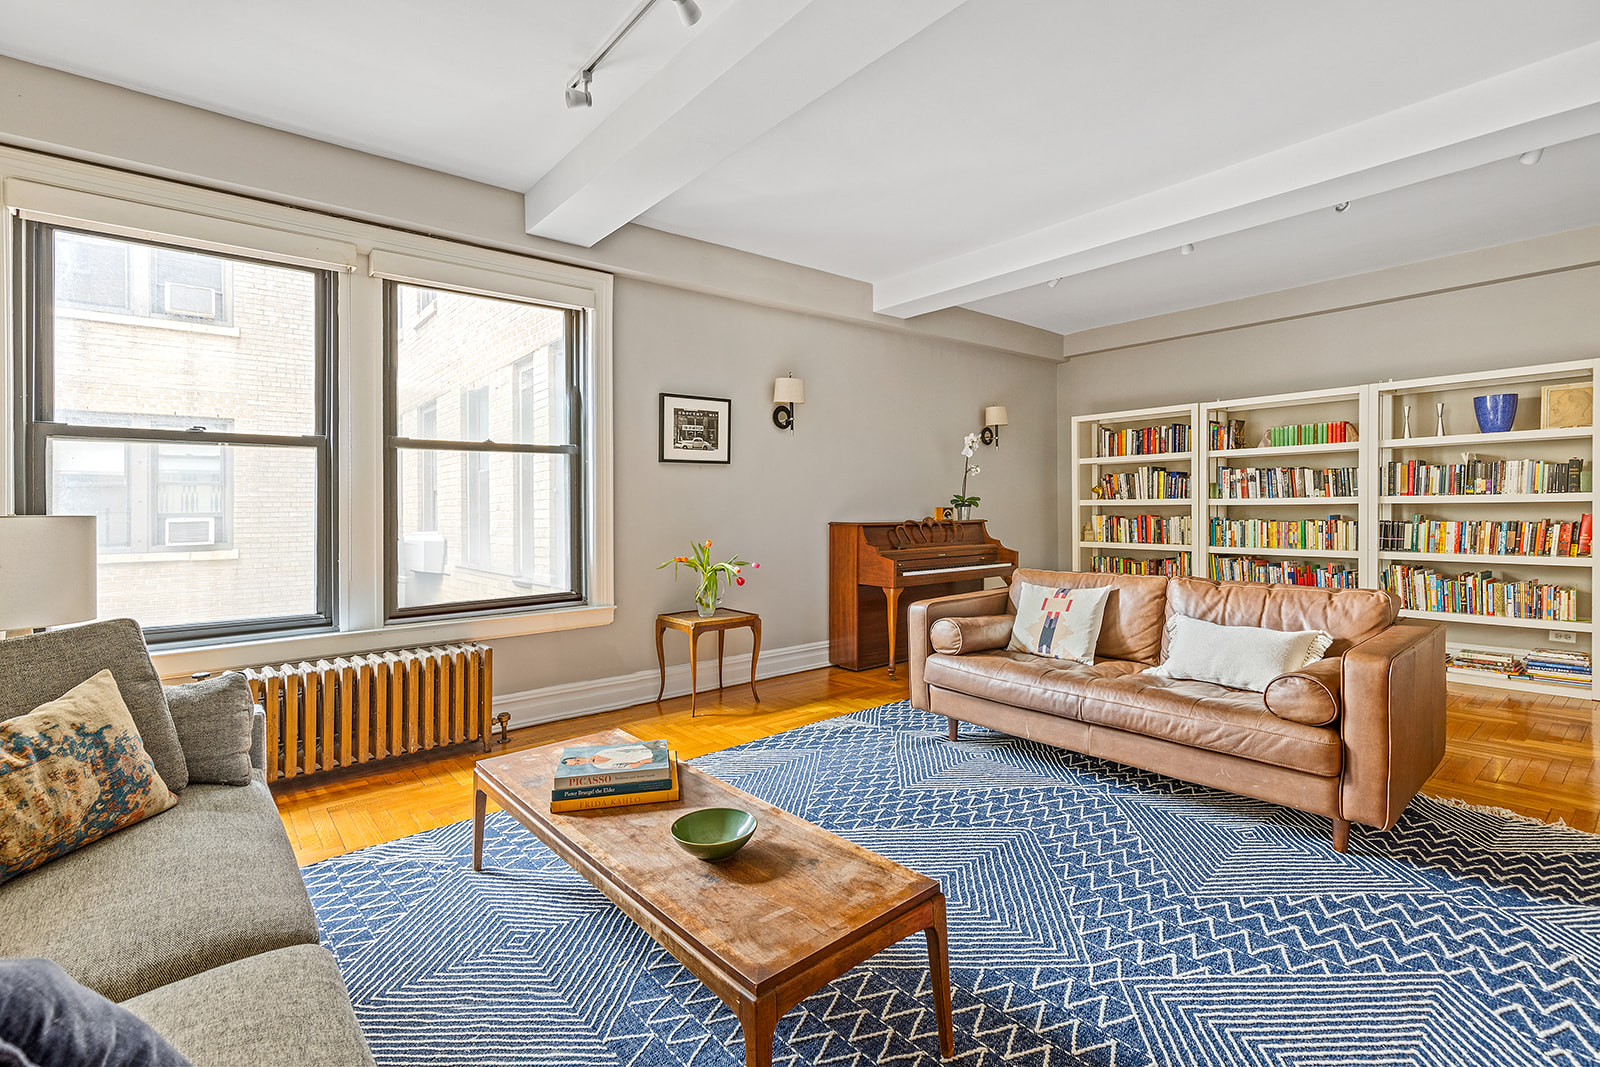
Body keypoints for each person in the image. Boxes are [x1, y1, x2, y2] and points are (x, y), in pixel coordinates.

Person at [559, 743, 658, 770]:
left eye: (577, 760)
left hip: (646, 750)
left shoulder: (602, 752)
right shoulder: (600, 766)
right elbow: (626, 766)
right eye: (577, 764)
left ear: (579, 757)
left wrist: (646, 747)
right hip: (647, 759)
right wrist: (643, 762)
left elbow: (625, 748)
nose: (580, 762)